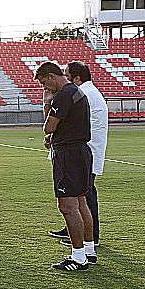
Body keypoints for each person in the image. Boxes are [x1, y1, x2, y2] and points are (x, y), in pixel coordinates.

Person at [34, 61, 96, 271]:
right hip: (81, 150)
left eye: (44, 84)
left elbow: (48, 126)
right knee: (81, 202)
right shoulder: (76, 91)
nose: (45, 89)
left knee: (67, 206)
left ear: (52, 76)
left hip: (68, 155)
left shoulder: (62, 95)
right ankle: (88, 250)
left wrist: (46, 104)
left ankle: (78, 257)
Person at [48, 61, 108, 246]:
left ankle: (89, 238)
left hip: (79, 152)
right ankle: (75, 232)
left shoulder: (81, 93)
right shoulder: (87, 92)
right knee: (79, 196)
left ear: (77, 78)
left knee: (84, 197)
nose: (64, 79)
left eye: (66, 75)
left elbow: (68, 122)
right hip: (83, 150)